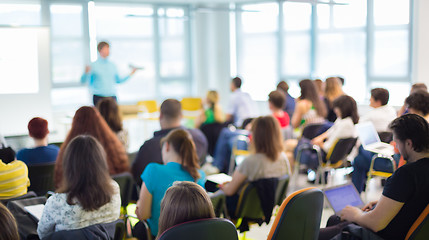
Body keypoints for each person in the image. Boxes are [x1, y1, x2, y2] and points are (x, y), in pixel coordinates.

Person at [321, 114, 429, 240]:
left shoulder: (406, 174)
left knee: (326, 228)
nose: (396, 148)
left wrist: (356, 214)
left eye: (397, 143)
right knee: (336, 219)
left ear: (409, 144)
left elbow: (375, 224)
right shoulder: (421, 171)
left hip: (382, 234)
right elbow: (416, 201)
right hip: (404, 228)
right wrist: (386, 202)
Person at [37, 135, 121, 239]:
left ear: (69, 166)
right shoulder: (114, 190)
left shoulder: (56, 202)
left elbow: (42, 235)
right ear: (101, 162)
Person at [134, 129, 206, 237]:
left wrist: (139, 206)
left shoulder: (153, 170)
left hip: (159, 236)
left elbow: (143, 214)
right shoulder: (199, 175)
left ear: (167, 146)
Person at [220, 116, 291, 212]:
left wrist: (222, 187)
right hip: (266, 208)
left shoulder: (250, 161)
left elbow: (230, 191)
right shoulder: (283, 158)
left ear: (256, 136)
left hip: (240, 209)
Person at [131, 99, 208, 185]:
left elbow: (137, 178)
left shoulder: (149, 147)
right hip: (194, 192)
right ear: (181, 115)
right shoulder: (198, 137)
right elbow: (203, 163)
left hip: (159, 196)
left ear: (160, 116)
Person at [54, 106, 129, 188]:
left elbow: (60, 180)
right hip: (112, 197)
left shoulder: (68, 152)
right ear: (100, 120)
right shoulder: (115, 149)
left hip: (78, 197)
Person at [352, 88, 399, 193]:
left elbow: (357, 127)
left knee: (360, 150)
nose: (369, 101)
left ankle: (356, 193)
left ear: (378, 102)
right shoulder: (391, 110)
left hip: (388, 162)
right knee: (359, 160)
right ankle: (357, 190)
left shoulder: (372, 116)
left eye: (371, 99)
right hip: (389, 154)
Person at [298, 95, 358, 170]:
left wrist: (319, 143)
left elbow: (327, 148)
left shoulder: (345, 126)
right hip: (328, 155)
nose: (335, 110)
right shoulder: (345, 121)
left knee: (295, 145)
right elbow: (330, 131)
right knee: (293, 147)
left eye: (337, 108)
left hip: (322, 157)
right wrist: (319, 138)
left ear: (343, 108)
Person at [81, 41, 138, 106]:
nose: (108, 51)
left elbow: (118, 80)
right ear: (100, 50)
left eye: (108, 49)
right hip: (98, 97)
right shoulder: (93, 65)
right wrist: (85, 73)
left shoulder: (112, 65)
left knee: (113, 116)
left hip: (112, 97)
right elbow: (83, 81)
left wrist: (131, 73)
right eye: (106, 49)